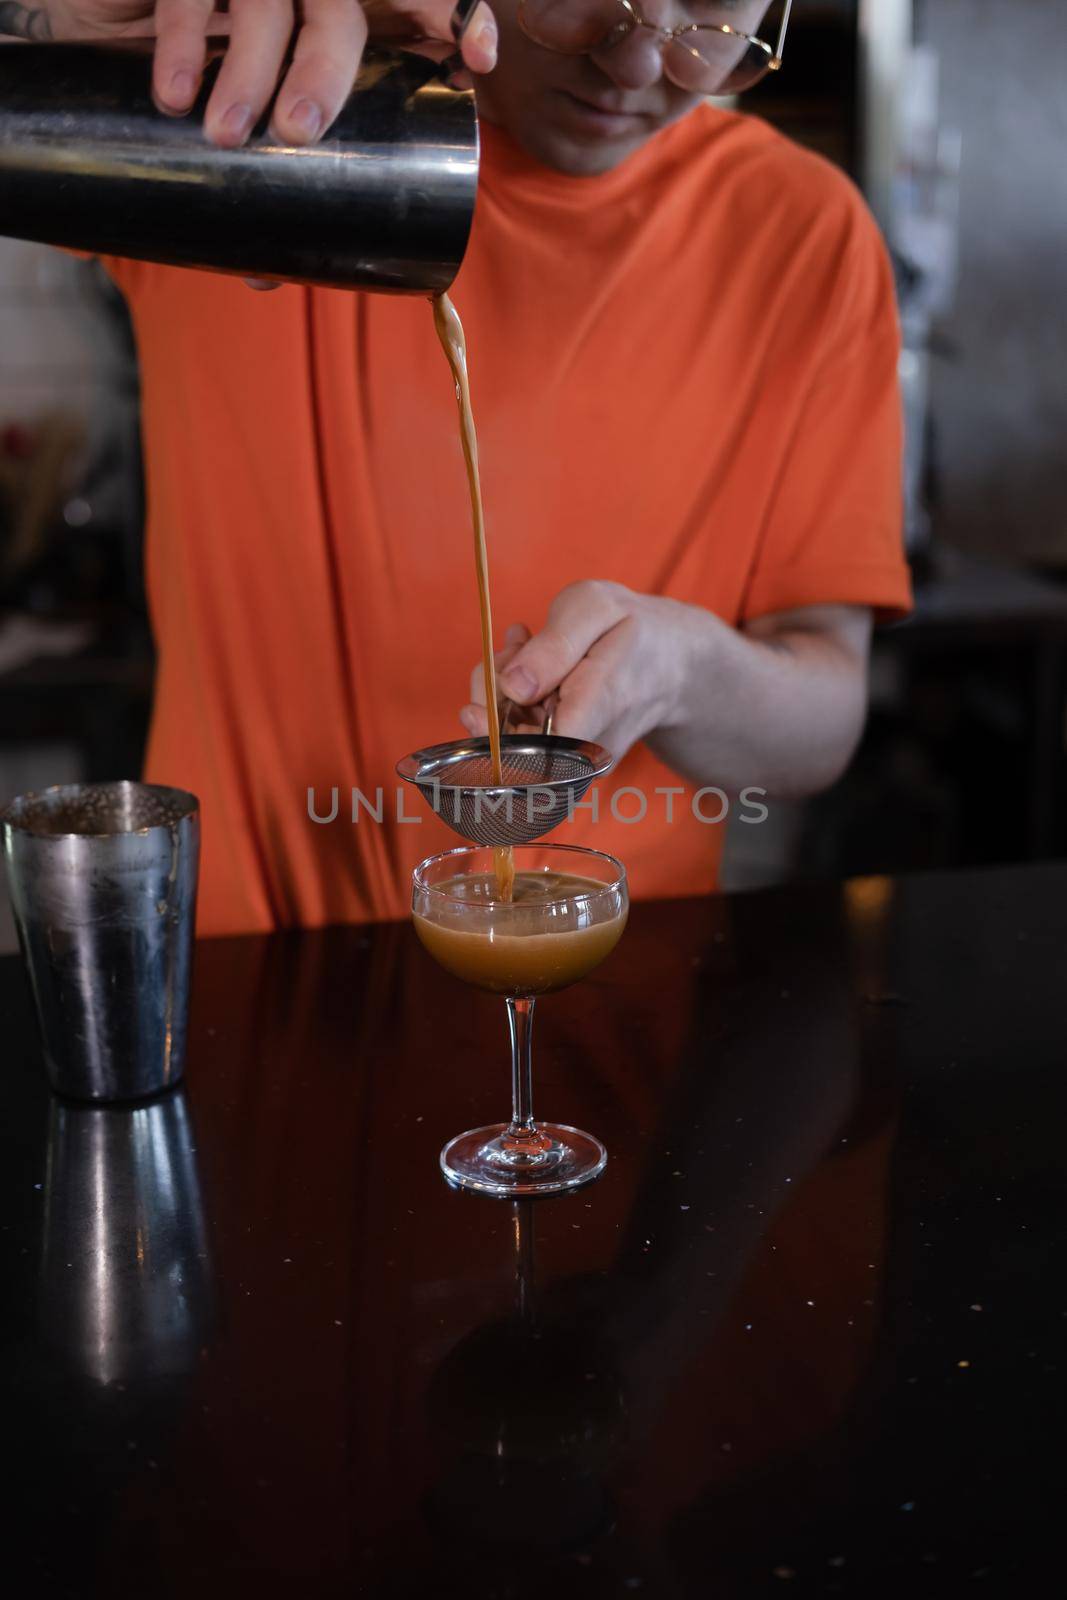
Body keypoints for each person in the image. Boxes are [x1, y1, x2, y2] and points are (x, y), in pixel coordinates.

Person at [1, 1, 912, 936]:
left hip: (610, 984)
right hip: (254, 974)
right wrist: (71, 16)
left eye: (713, 17)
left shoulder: (802, 237)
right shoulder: (269, 123)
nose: (637, 66)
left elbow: (825, 712)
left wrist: (681, 670)